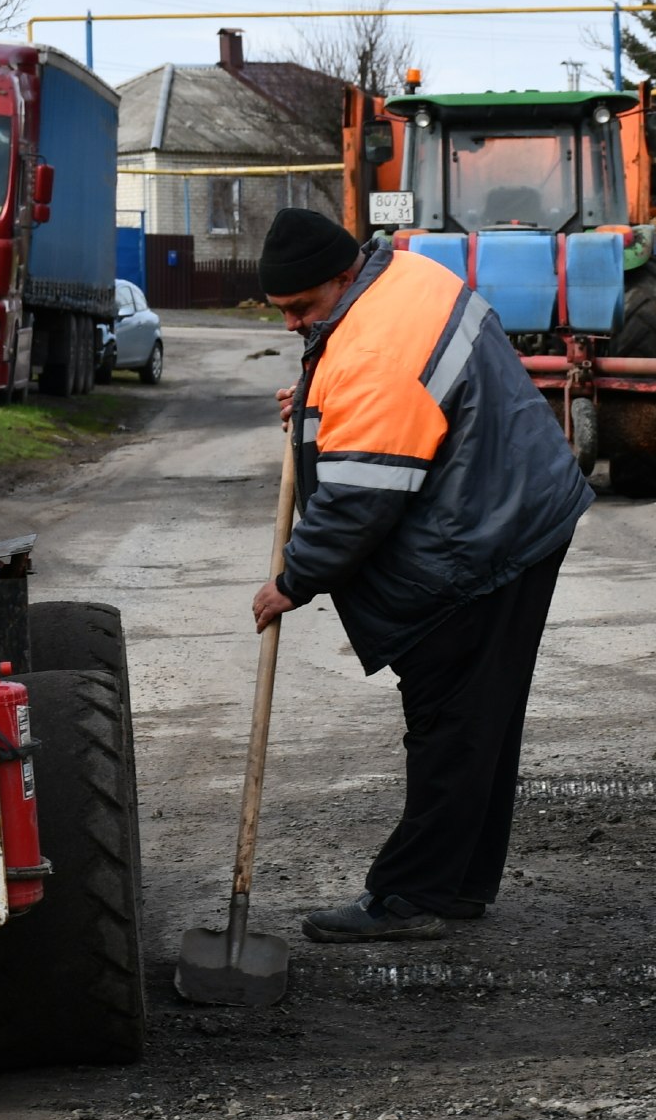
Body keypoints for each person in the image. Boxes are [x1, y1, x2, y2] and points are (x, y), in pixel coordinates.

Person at [250, 207, 592, 942]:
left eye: (301, 309)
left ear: (344, 278)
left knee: (449, 720)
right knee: (481, 717)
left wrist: (293, 578)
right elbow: (398, 404)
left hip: (477, 541)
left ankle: (413, 895)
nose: (290, 325)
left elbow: (361, 495)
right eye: (281, 312)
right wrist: (313, 404)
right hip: (514, 510)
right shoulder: (404, 278)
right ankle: (459, 884)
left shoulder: (373, 342)